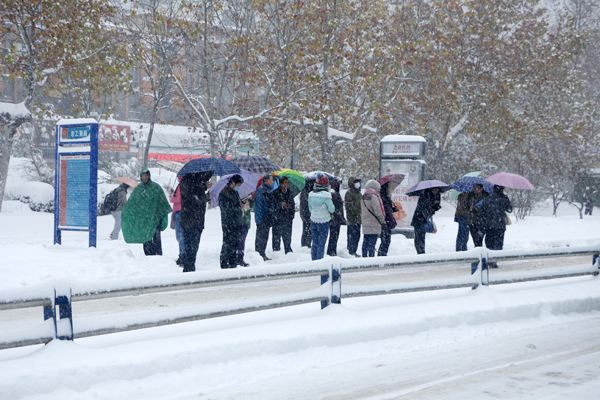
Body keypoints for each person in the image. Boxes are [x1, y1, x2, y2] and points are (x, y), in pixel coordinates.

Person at [122, 168, 172, 256]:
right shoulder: (139, 188)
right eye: (143, 176)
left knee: (156, 237)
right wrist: (127, 211)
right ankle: (148, 255)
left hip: (155, 219)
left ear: (149, 176)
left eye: (146, 175)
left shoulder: (156, 187)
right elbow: (133, 203)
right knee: (146, 237)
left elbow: (162, 203)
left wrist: (160, 216)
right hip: (144, 220)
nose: (144, 177)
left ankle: (158, 255)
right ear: (141, 177)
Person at [180, 171, 212, 272]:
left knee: (192, 247)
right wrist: (204, 189)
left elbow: (197, 199)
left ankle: (189, 267)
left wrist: (205, 193)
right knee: (191, 247)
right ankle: (188, 268)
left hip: (195, 221)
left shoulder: (194, 183)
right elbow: (195, 200)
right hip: (191, 221)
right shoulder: (190, 183)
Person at [480, 185, 512, 267]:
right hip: (500, 225)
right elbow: (509, 209)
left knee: (489, 241)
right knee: (498, 242)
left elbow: (483, 209)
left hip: (489, 225)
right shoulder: (504, 198)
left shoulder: (488, 198)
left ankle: (489, 258)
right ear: (502, 189)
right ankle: (494, 259)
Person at [219, 174, 244, 269]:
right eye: (238, 185)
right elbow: (226, 209)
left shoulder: (235, 193)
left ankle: (233, 262)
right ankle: (224, 263)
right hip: (228, 223)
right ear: (233, 183)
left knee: (235, 243)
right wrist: (238, 208)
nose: (238, 187)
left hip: (237, 222)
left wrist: (242, 204)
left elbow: (236, 205)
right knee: (227, 243)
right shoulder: (223, 193)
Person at [308, 174, 335, 260]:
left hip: (313, 220)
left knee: (315, 242)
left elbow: (310, 208)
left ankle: (314, 260)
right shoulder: (326, 196)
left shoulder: (311, 194)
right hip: (324, 221)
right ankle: (320, 262)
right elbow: (332, 209)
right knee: (321, 244)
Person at [410, 188, 441, 254]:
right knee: (419, 236)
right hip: (419, 219)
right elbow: (423, 208)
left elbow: (431, 209)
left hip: (423, 219)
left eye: (437, 190)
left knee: (421, 236)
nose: (436, 191)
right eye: (435, 190)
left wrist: (436, 207)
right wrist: (433, 208)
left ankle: (421, 251)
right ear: (431, 189)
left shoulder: (433, 196)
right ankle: (420, 251)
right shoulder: (425, 195)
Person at [361, 180, 385, 257]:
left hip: (366, 223)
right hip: (374, 223)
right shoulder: (374, 196)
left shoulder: (364, 196)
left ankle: (364, 257)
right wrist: (382, 220)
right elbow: (378, 210)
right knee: (372, 244)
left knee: (365, 242)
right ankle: (371, 260)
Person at [255, 174, 276, 261]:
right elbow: (259, 206)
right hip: (263, 218)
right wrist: (259, 220)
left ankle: (262, 253)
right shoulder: (261, 190)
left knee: (265, 237)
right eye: (271, 180)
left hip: (267, 218)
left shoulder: (269, 190)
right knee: (261, 237)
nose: (272, 182)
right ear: (266, 181)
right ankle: (259, 254)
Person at [272, 176, 295, 254]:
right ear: (281, 183)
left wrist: (291, 214)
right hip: (278, 219)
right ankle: (276, 252)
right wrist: (280, 205)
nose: (286, 184)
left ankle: (288, 250)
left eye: (287, 183)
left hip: (287, 218)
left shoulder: (289, 192)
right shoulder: (275, 193)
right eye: (285, 183)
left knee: (287, 236)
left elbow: (293, 205)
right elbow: (272, 205)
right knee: (276, 237)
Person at [378, 180, 400, 256]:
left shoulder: (386, 196)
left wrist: (394, 208)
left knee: (387, 239)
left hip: (387, 220)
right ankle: (381, 255)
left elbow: (388, 207)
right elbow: (384, 208)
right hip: (385, 221)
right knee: (385, 240)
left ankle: (383, 254)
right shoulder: (382, 196)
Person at [327, 179, 346, 256]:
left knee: (332, 236)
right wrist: (340, 217)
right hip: (336, 219)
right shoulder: (335, 194)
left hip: (333, 218)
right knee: (334, 236)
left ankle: (331, 250)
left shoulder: (331, 194)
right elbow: (338, 208)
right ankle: (332, 251)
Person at [344, 177, 362, 257]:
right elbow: (349, 206)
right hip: (352, 219)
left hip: (358, 219)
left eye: (358, 182)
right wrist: (358, 209)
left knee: (357, 236)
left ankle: (353, 250)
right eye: (356, 182)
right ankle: (351, 251)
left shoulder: (359, 193)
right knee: (352, 236)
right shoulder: (349, 193)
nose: (358, 184)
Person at [170, 178, 185, 266]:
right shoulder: (184, 185)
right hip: (182, 211)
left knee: (180, 236)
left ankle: (182, 255)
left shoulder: (181, 185)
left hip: (179, 211)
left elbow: (178, 199)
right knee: (181, 236)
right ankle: (182, 254)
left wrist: (172, 197)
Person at [237, 195, 252, 267]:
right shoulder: (237, 195)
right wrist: (241, 204)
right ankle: (238, 258)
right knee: (240, 241)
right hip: (240, 222)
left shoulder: (247, 195)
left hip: (246, 221)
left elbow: (250, 208)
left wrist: (250, 200)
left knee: (242, 241)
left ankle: (240, 258)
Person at [300, 180, 314, 248]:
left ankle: (304, 243)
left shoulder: (303, 191)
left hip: (303, 213)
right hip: (308, 213)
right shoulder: (310, 193)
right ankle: (307, 244)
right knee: (309, 229)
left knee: (305, 228)